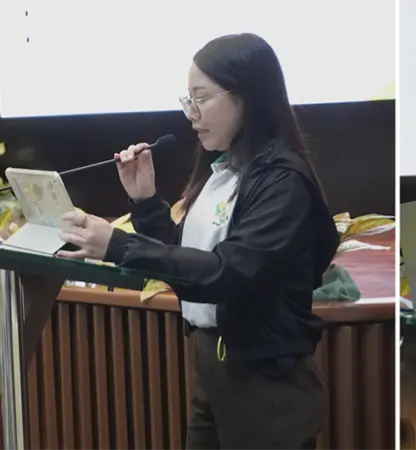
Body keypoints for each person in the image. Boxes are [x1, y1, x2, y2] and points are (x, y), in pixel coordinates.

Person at [57, 33, 339, 450]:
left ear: (247, 95)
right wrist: (147, 202)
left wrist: (118, 246)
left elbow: (228, 272)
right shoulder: (222, 169)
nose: (191, 114)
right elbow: (192, 259)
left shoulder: (283, 180)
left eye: (201, 98)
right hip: (214, 373)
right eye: (186, 100)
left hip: (265, 386)